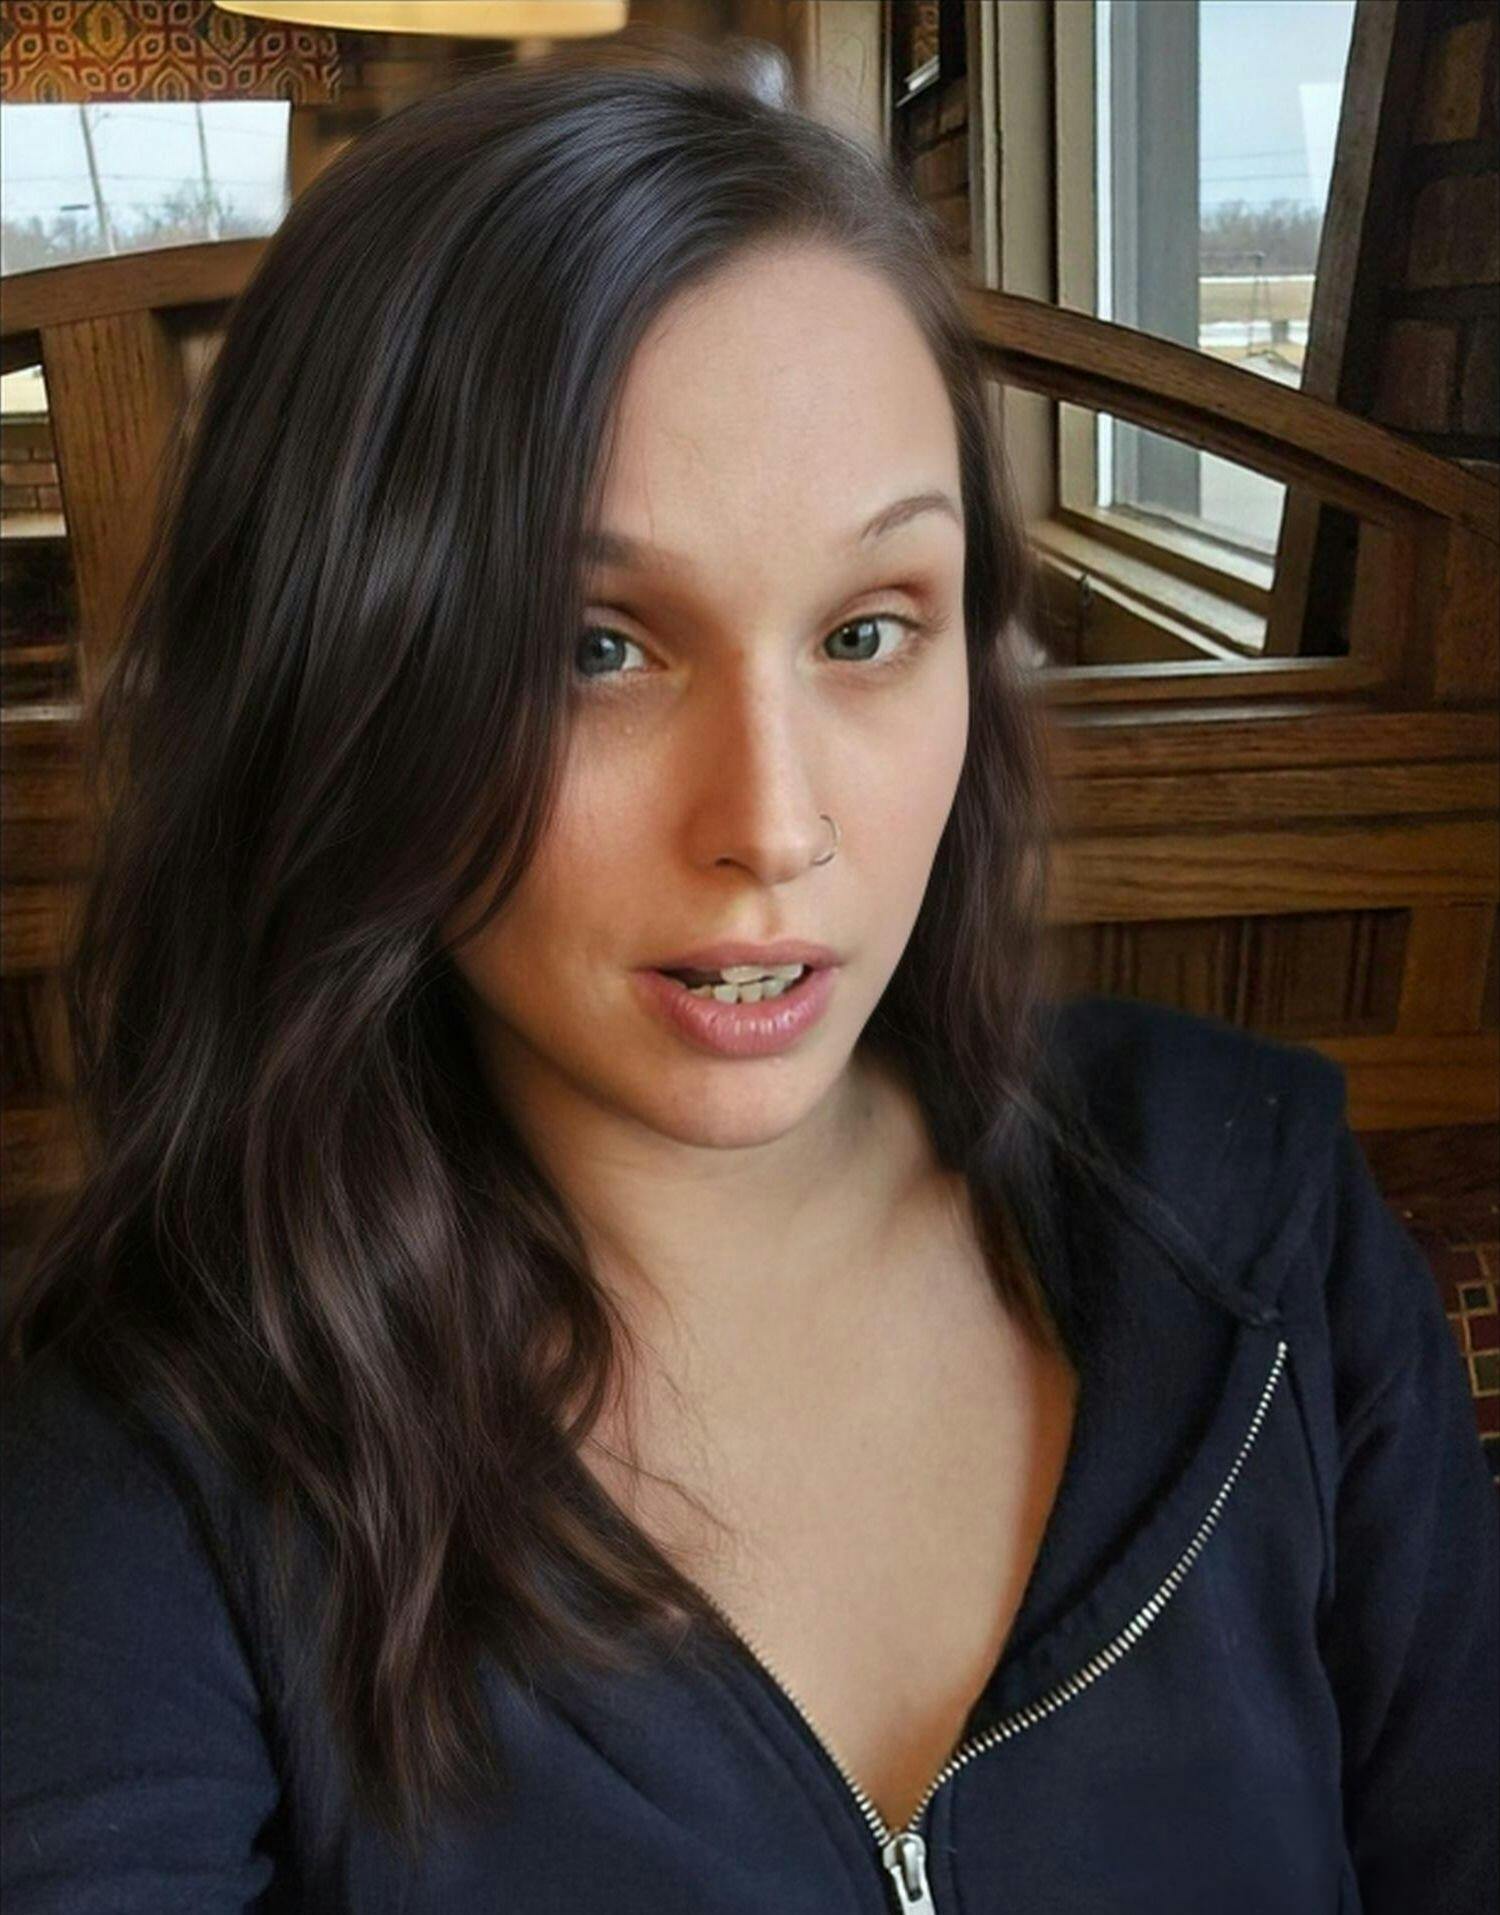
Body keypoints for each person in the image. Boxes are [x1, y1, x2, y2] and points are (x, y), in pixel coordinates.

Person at [2, 31, 1495, 1915]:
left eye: (868, 631)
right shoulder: (157, 1465)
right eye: (595, 648)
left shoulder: (1256, 1220)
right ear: (343, 686)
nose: (774, 827)